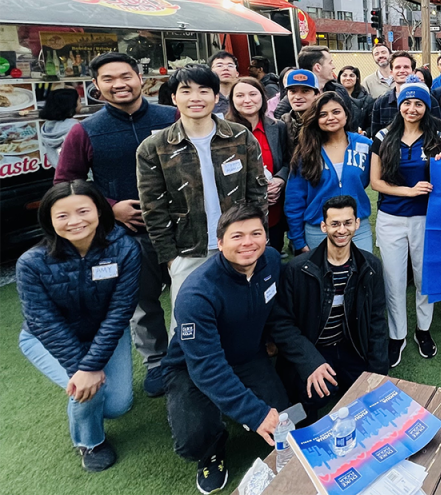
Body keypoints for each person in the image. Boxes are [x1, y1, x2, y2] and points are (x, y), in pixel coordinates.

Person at [55, 52, 177, 398]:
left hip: (181, 228)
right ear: (96, 87)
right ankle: (157, 362)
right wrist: (110, 209)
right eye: (108, 79)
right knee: (142, 303)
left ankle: (189, 358)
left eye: (126, 76)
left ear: (141, 78)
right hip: (127, 236)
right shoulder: (86, 131)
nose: (119, 84)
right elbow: (64, 184)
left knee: (191, 296)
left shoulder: (172, 116)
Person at [162, 205, 289, 495]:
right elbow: (207, 368)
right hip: (192, 367)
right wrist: (254, 413)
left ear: (266, 238)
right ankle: (212, 450)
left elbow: (273, 311)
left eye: (256, 233)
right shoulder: (196, 294)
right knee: (193, 440)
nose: (248, 243)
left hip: (246, 355)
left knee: (282, 416)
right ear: (219, 244)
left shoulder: (270, 260)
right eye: (237, 236)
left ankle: (232, 406)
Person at [17, 181, 140, 472]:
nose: (75, 221)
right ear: (49, 219)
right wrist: (82, 369)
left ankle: (88, 385)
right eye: (62, 215)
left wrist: (93, 363)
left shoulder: (124, 248)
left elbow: (121, 310)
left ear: (99, 210)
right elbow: (43, 322)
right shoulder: (31, 263)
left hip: (105, 332)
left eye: (83, 211)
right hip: (45, 338)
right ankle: (90, 442)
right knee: (87, 389)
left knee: (117, 405)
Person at [136, 65, 268, 334]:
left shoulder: (240, 137)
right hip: (187, 251)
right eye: (186, 91)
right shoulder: (155, 147)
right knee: (187, 327)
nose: (195, 98)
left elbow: (257, 194)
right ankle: (184, 373)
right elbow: (153, 209)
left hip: (238, 245)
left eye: (203, 91)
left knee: (240, 317)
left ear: (216, 96)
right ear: (174, 98)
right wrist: (170, 258)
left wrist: (254, 237)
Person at [270, 195, 388, 418]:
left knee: (370, 398)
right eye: (334, 224)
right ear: (323, 226)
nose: (341, 230)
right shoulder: (297, 269)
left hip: (349, 346)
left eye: (347, 223)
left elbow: (376, 321)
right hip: (314, 347)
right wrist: (311, 362)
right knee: (314, 396)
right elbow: (281, 325)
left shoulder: (370, 266)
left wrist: (379, 373)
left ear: (357, 223)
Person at [370, 77, 441, 367]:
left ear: (426, 107)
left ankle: (422, 330)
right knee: (394, 279)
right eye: (407, 103)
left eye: (418, 103)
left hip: (426, 219)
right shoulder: (383, 137)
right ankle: (397, 335)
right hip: (391, 218)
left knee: (425, 278)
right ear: (399, 105)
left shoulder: (436, 136)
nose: (412, 108)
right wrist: (408, 191)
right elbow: (376, 182)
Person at [287, 92, 374, 254]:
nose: (330, 118)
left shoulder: (365, 145)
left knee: (362, 275)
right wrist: (298, 240)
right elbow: (294, 199)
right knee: (323, 278)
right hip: (319, 228)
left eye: (336, 112)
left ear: (346, 114)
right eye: (323, 114)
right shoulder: (306, 151)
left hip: (357, 227)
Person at [226, 77, 291, 250]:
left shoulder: (277, 127)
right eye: (240, 95)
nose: (247, 100)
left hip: (273, 210)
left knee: (272, 256)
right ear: (232, 100)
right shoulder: (224, 132)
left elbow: (287, 161)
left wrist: (280, 180)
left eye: (253, 94)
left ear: (263, 97)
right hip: (238, 212)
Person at [370, 51, 441, 137]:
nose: (402, 70)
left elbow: (437, 131)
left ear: (413, 72)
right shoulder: (381, 103)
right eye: (397, 67)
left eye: (406, 67)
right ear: (391, 72)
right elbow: (375, 137)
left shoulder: (429, 100)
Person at [274, 46, 352, 120]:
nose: (333, 67)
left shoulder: (339, 90)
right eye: (330, 63)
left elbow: (351, 121)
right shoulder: (286, 105)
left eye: (305, 91)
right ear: (318, 67)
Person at [39, 88, 80, 169]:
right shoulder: (76, 128)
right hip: (79, 174)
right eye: (79, 101)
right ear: (71, 105)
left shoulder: (46, 127)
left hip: (59, 171)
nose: (81, 104)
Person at [278, 68, 319, 145]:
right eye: (293, 91)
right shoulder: (283, 123)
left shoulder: (325, 120)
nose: (298, 97)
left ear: (317, 94)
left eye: (305, 91)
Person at [339, 65, 372, 134]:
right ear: (339, 78)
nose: (348, 78)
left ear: (357, 78)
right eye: (344, 75)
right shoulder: (333, 97)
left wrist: (365, 133)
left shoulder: (367, 99)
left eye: (351, 75)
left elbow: (371, 123)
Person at [208, 51, 238, 116]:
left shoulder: (246, 97)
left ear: (237, 73)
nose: (225, 68)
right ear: (210, 72)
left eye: (230, 65)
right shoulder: (206, 98)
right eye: (219, 65)